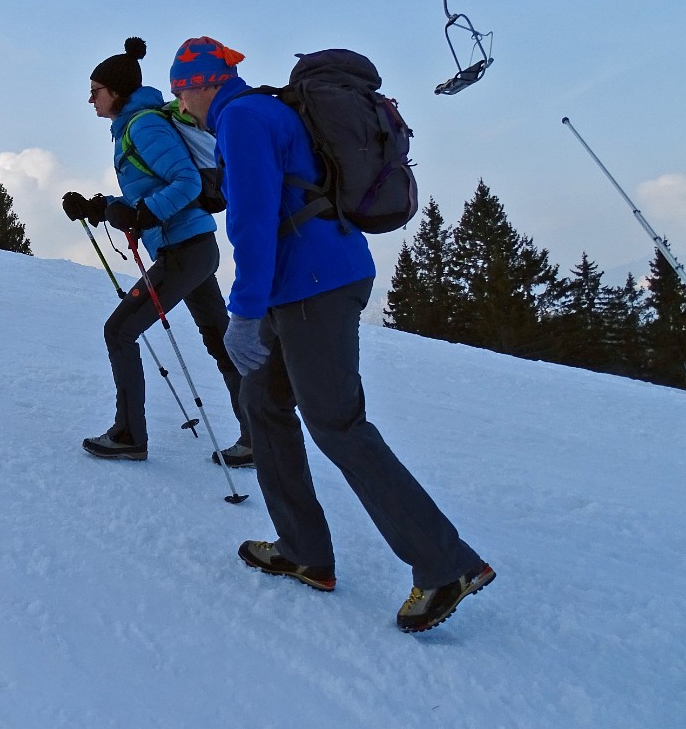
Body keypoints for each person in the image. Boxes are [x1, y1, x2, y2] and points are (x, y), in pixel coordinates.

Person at [168, 36, 493, 633]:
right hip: (306, 282)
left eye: (177, 90)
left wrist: (242, 313)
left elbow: (254, 219)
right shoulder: (265, 110)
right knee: (262, 402)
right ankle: (303, 550)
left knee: (337, 423)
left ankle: (445, 563)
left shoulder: (240, 117)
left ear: (197, 83)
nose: (179, 104)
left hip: (314, 285)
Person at [61, 37, 248, 462]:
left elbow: (188, 183)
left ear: (117, 92)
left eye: (96, 90)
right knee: (221, 341)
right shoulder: (131, 127)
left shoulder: (142, 125)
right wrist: (99, 206)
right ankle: (257, 437)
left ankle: (129, 435)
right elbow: (151, 190)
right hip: (192, 247)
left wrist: (143, 215)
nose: (90, 99)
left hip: (185, 249)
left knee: (119, 330)